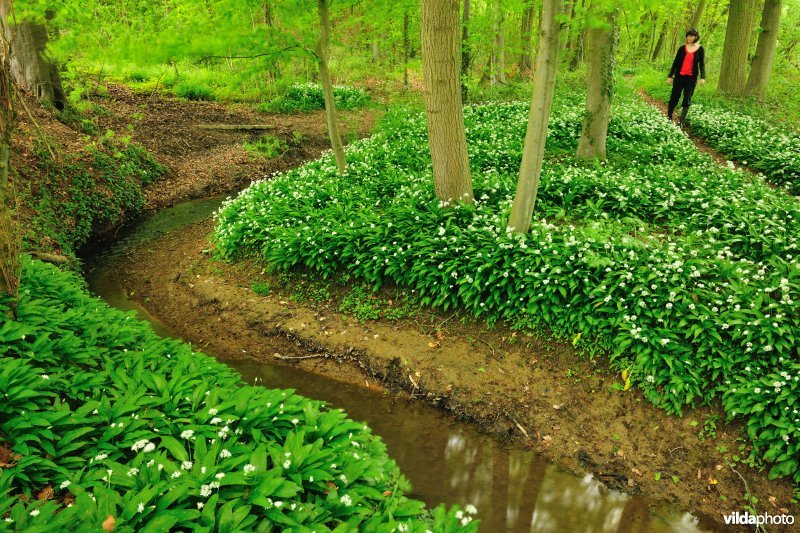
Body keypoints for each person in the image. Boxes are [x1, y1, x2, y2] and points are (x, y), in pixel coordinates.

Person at [666, 29, 706, 128]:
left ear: (696, 37)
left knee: (687, 98)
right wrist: (670, 76)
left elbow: (702, 64)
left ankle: (681, 122)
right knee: (674, 97)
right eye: (688, 36)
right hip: (679, 76)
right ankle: (669, 117)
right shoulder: (682, 48)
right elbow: (675, 62)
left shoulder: (700, 49)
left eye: (691, 36)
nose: (689, 38)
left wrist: (703, 77)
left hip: (691, 78)